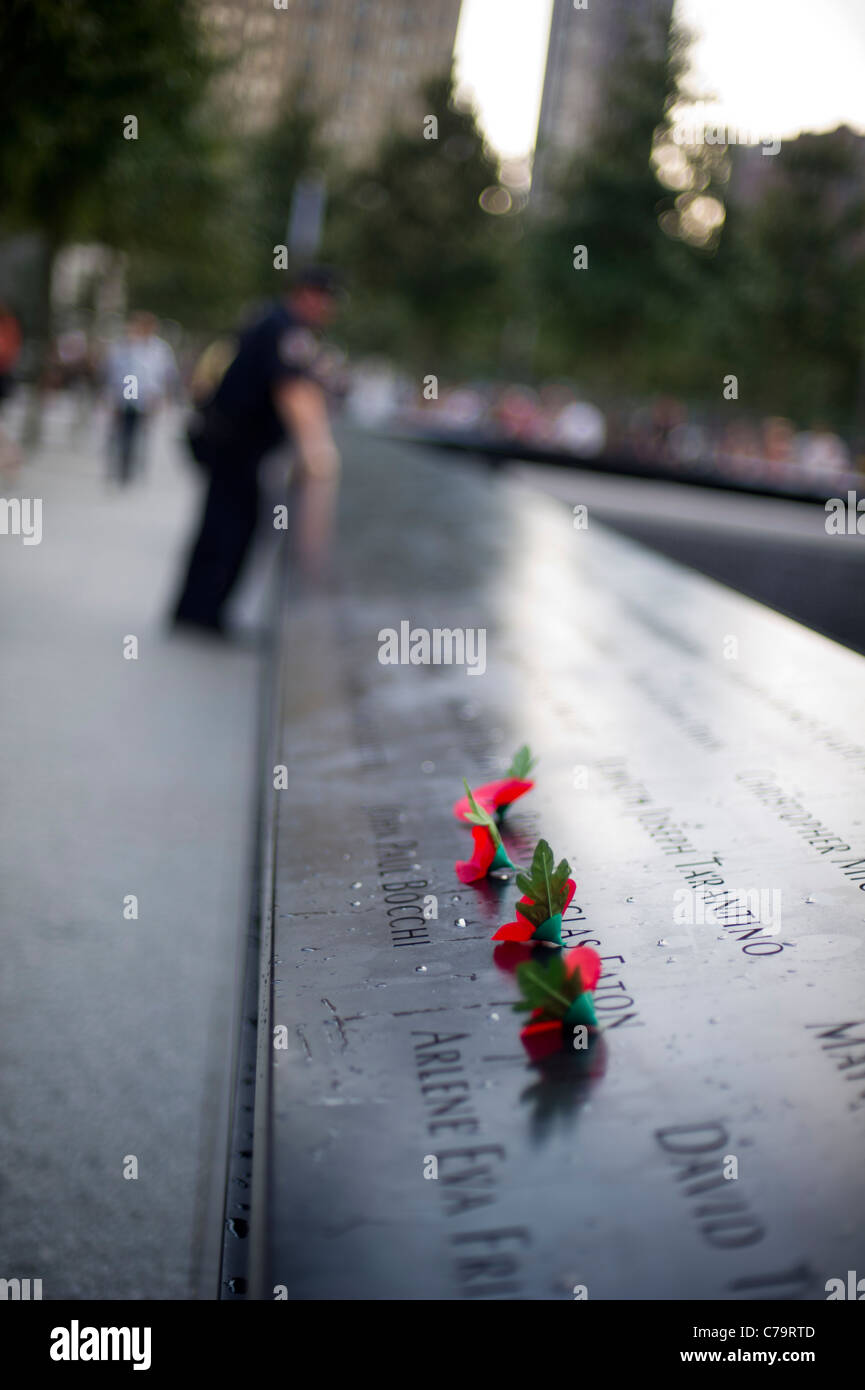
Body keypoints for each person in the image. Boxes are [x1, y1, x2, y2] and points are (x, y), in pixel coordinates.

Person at [171, 266, 342, 636]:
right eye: (327, 300)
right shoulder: (286, 329)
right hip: (238, 449)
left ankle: (198, 611)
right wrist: (319, 453)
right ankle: (203, 615)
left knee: (222, 525)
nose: (329, 310)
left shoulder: (272, 321)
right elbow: (294, 392)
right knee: (231, 528)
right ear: (310, 295)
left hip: (232, 446)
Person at [104, 312, 178, 484]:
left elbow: (166, 374)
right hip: (126, 395)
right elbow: (114, 372)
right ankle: (121, 467)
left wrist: (163, 397)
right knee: (123, 432)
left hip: (147, 397)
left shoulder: (160, 349)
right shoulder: (125, 346)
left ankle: (136, 468)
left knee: (141, 434)